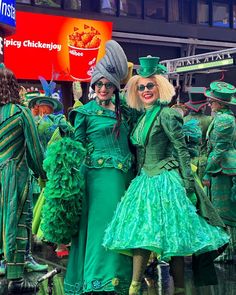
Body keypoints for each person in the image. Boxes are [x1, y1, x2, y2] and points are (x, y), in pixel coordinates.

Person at [103, 56, 229, 295]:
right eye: (141, 87)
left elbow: (181, 149)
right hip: (143, 181)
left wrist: (188, 183)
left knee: (175, 236)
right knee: (141, 234)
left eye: (150, 85)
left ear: (159, 86)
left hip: (166, 178)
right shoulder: (141, 118)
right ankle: (134, 287)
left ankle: (179, 289)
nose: (146, 90)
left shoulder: (167, 114)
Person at [63, 40, 136, 294]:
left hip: (123, 179)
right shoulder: (84, 113)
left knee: (120, 225)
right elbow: (77, 147)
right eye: (99, 84)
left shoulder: (124, 112)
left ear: (115, 87)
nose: (103, 88)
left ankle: (118, 280)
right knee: (100, 228)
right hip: (96, 180)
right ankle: (96, 280)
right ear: (93, 86)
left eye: (108, 84)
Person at [0, 65, 46, 293]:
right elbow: (36, 151)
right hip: (15, 175)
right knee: (18, 219)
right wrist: (43, 174)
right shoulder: (21, 112)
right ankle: (15, 273)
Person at [203, 81, 236, 262]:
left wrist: (208, 171)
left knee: (225, 211)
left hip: (223, 169)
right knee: (222, 210)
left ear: (221, 104)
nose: (210, 104)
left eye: (212, 101)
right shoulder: (223, 118)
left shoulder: (224, 120)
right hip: (222, 168)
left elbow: (220, 149)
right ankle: (226, 248)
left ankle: (229, 250)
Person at [184, 87, 213, 181]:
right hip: (205, 161)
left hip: (188, 162)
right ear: (203, 106)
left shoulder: (183, 120)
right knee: (203, 192)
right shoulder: (210, 120)